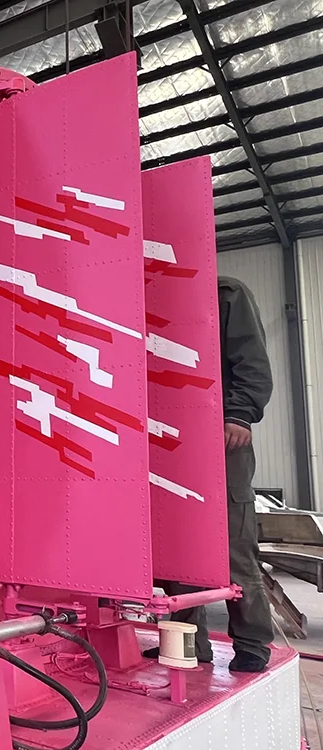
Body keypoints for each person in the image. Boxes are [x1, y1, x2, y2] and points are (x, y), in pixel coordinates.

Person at [144, 276, 275, 673]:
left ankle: (252, 643)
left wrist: (240, 413)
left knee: (234, 540)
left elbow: (251, 362)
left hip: (221, 436)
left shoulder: (226, 294)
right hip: (168, 439)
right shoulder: (146, 296)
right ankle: (189, 642)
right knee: (178, 543)